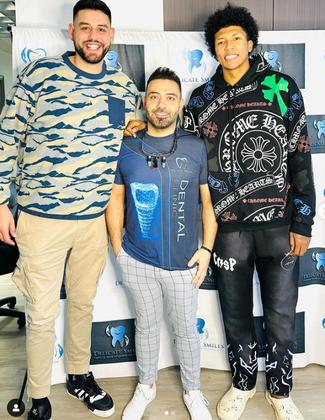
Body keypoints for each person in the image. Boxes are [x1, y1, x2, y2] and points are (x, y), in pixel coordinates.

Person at [0, 1, 141, 419]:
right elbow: (7, 138)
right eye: (85, 28)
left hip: (94, 222)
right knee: (42, 313)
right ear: (72, 31)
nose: (93, 36)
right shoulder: (38, 75)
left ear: (111, 36)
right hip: (41, 220)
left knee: (82, 304)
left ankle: (79, 375)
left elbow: (143, 126)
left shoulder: (123, 87)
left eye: (101, 29)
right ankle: (40, 395)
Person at [183, 3, 316, 420]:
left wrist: (304, 218)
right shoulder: (201, 99)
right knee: (235, 313)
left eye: (236, 38)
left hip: (279, 225)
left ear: (251, 42)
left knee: (280, 313)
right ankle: (243, 384)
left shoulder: (282, 86)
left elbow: (300, 155)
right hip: (226, 228)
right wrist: (140, 128)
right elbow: (182, 154)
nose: (229, 47)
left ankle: (280, 392)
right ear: (213, 48)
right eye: (221, 41)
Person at [106, 67, 218, 420]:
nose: (161, 105)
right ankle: (146, 386)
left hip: (184, 264)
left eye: (170, 97)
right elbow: (115, 200)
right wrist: (119, 250)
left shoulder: (195, 146)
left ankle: (192, 390)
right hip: (137, 260)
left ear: (180, 104)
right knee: (145, 326)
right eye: (154, 96)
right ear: (144, 101)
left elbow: (208, 204)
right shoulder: (125, 146)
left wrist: (207, 248)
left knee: (186, 330)